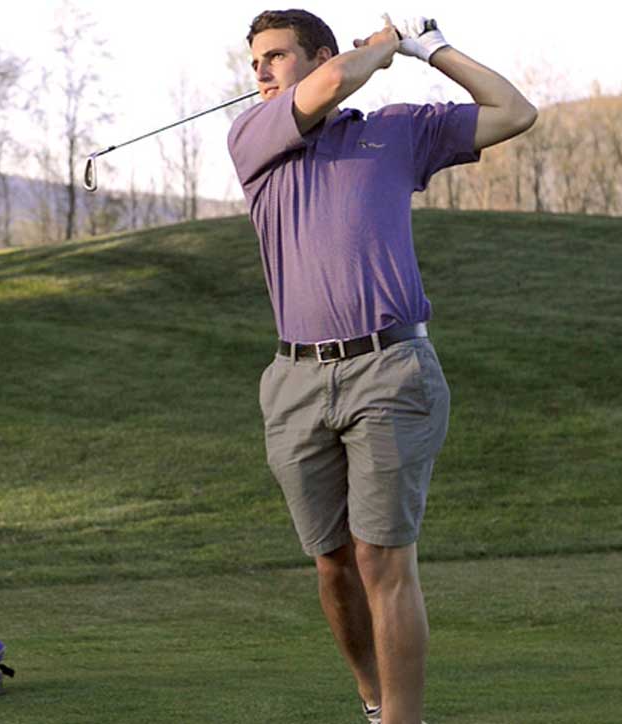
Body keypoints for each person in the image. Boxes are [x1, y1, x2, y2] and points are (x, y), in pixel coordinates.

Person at [227, 10, 535, 724]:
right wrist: (386, 48)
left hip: (390, 370)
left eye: (276, 57)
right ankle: (372, 697)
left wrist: (431, 49)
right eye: (255, 63)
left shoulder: (398, 129)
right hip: (295, 381)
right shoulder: (253, 137)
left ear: (318, 54)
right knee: (332, 565)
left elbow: (515, 110)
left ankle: (403, 720)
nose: (262, 73)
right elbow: (333, 82)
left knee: (382, 562)